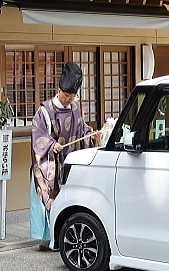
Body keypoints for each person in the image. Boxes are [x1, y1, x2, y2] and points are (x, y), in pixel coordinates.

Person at [30, 62, 99, 250]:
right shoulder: (44, 110)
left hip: (70, 161)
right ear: (58, 90)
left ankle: (65, 236)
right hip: (50, 165)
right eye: (67, 95)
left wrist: (89, 134)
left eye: (73, 96)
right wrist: (52, 144)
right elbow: (38, 137)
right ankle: (47, 239)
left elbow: (81, 128)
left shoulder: (76, 107)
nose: (70, 99)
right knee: (48, 198)